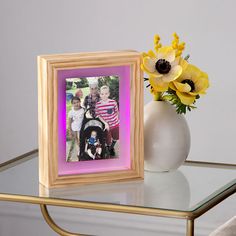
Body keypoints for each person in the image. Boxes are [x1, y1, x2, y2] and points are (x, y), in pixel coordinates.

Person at [95, 85, 119, 156]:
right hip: (106, 126)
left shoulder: (113, 102)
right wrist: (105, 123)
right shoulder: (98, 105)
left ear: (109, 94)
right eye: (102, 94)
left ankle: (111, 148)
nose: (104, 95)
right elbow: (98, 115)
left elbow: (116, 112)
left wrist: (117, 120)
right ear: (100, 95)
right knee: (108, 140)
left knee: (116, 138)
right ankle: (108, 147)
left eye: (106, 93)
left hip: (115, 124)